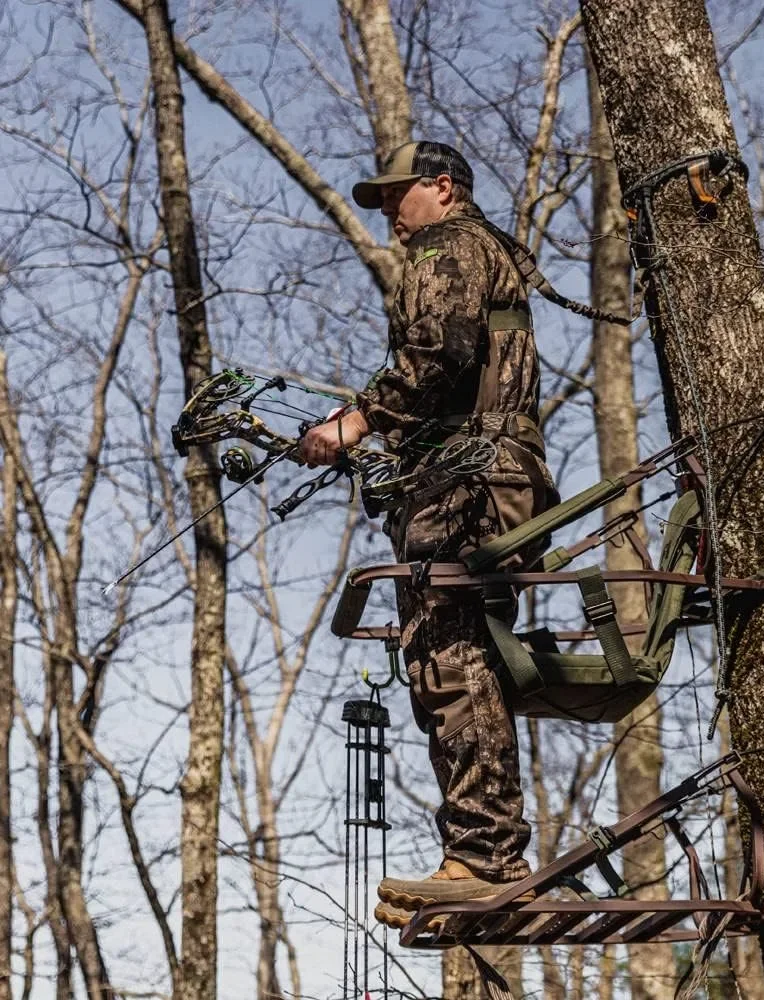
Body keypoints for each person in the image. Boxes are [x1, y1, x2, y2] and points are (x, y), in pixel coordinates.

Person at [300, 141, 557, 927]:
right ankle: (480, 853)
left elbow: (435, 357)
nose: (389, 215)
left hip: (470, 483)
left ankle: (486, 859)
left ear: (441, 188)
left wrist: (352, 423)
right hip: (485, 476)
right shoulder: (488, 252)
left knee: (451, 650)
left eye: (397, 196)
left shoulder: (451, 246)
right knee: (458, 648)